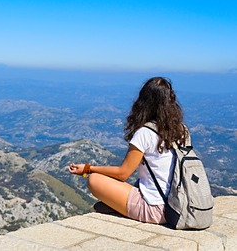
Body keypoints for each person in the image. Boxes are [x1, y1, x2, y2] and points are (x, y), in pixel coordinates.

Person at [68, 77, 187, 224]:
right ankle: (118, 206)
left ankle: (119, 207)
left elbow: (122, 173)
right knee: (138, 181)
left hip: (156, 209)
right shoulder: (181, 130)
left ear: (143, 101)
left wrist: (87, 169)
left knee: (94, 179)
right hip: (177, 205)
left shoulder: (145, 132)